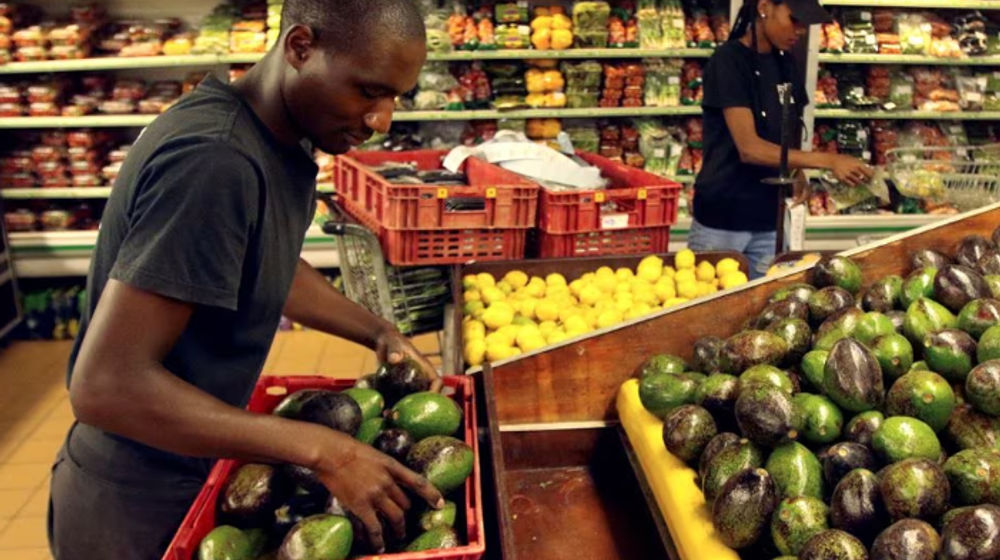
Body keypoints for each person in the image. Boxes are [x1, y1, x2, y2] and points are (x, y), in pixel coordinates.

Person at [48, 1, 443, 558]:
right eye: (368, 91)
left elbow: (256, 264)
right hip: (138, 494)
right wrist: (326, 451)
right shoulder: (215, 161)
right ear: (301, 47)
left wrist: (376, 331)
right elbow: (105, 387)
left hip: (193, 458)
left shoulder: (278, 139)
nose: (382, 121)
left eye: (395, 97)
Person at [690, 0, 875, 278]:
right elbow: (749, 149)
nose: (800, 30)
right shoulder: (728, 61)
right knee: (714, 309)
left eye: (804, 23)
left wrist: (795, 168)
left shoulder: (786, 64)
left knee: (767, 307)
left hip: (770, 216)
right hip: (724, 220)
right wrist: (828, 160)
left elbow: (787, 128)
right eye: (794, 19)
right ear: (765, 7)